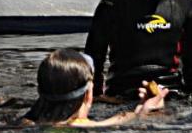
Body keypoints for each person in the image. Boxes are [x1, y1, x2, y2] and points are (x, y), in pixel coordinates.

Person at [22, 49, 169, 127]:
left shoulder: (25, 123)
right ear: (88, 95)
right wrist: (148, 112)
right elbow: (120, 119)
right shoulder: (91, 126)